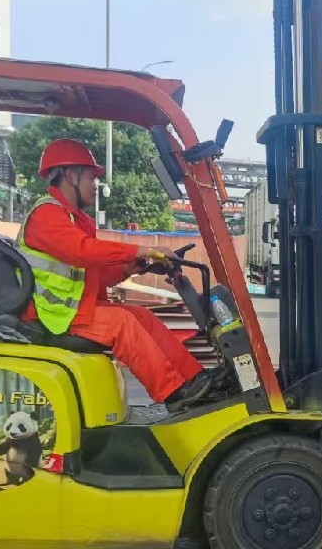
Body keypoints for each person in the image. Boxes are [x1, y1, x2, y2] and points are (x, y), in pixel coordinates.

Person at [17, 139, 224, 412]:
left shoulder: (75, 219)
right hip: (50, 317)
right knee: (123, 323)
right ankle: (175, 393)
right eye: (91, 178)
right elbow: (82, 251)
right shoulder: (47, 214)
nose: (95, 185)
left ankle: (195, 379)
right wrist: (141, 249)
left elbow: (94, 275)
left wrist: (129, 268)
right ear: (70, 176)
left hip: (71, 311)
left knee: (143, 317)